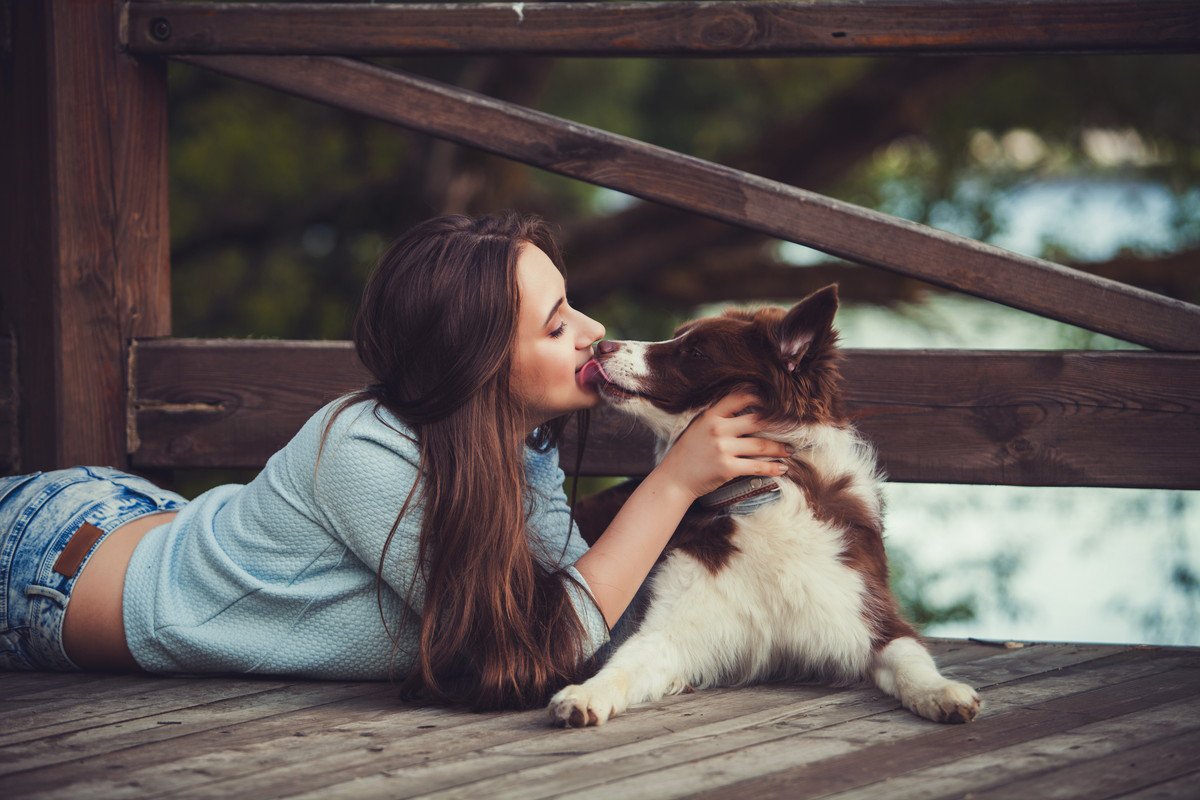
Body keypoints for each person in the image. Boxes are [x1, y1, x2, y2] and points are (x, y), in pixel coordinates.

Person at [0, 212, 791, 710]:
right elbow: (532, 654)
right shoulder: (363, 449)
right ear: (478, 365)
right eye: (556, 327)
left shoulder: (522, 449)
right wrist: (677, 480)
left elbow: (580, 609)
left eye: (571, 303)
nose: (593, 332)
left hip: (133, 516)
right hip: (48, 563)